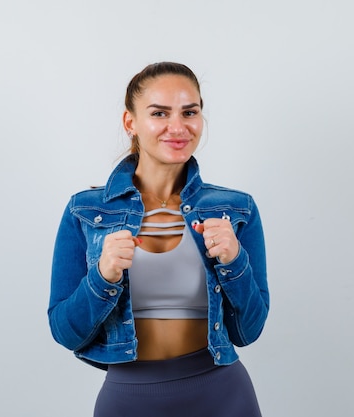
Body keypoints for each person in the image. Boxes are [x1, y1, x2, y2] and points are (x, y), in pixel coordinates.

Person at [48, 62, 269, 417]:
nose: (177, 127)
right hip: (129, 399)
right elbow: (65, 332)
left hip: (223, 395)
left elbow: (249, 331)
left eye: (189, 112)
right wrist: (102, 276)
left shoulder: (235, 209)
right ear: (130, 122)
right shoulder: (85, 211)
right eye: (159, 113)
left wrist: (235, 261)